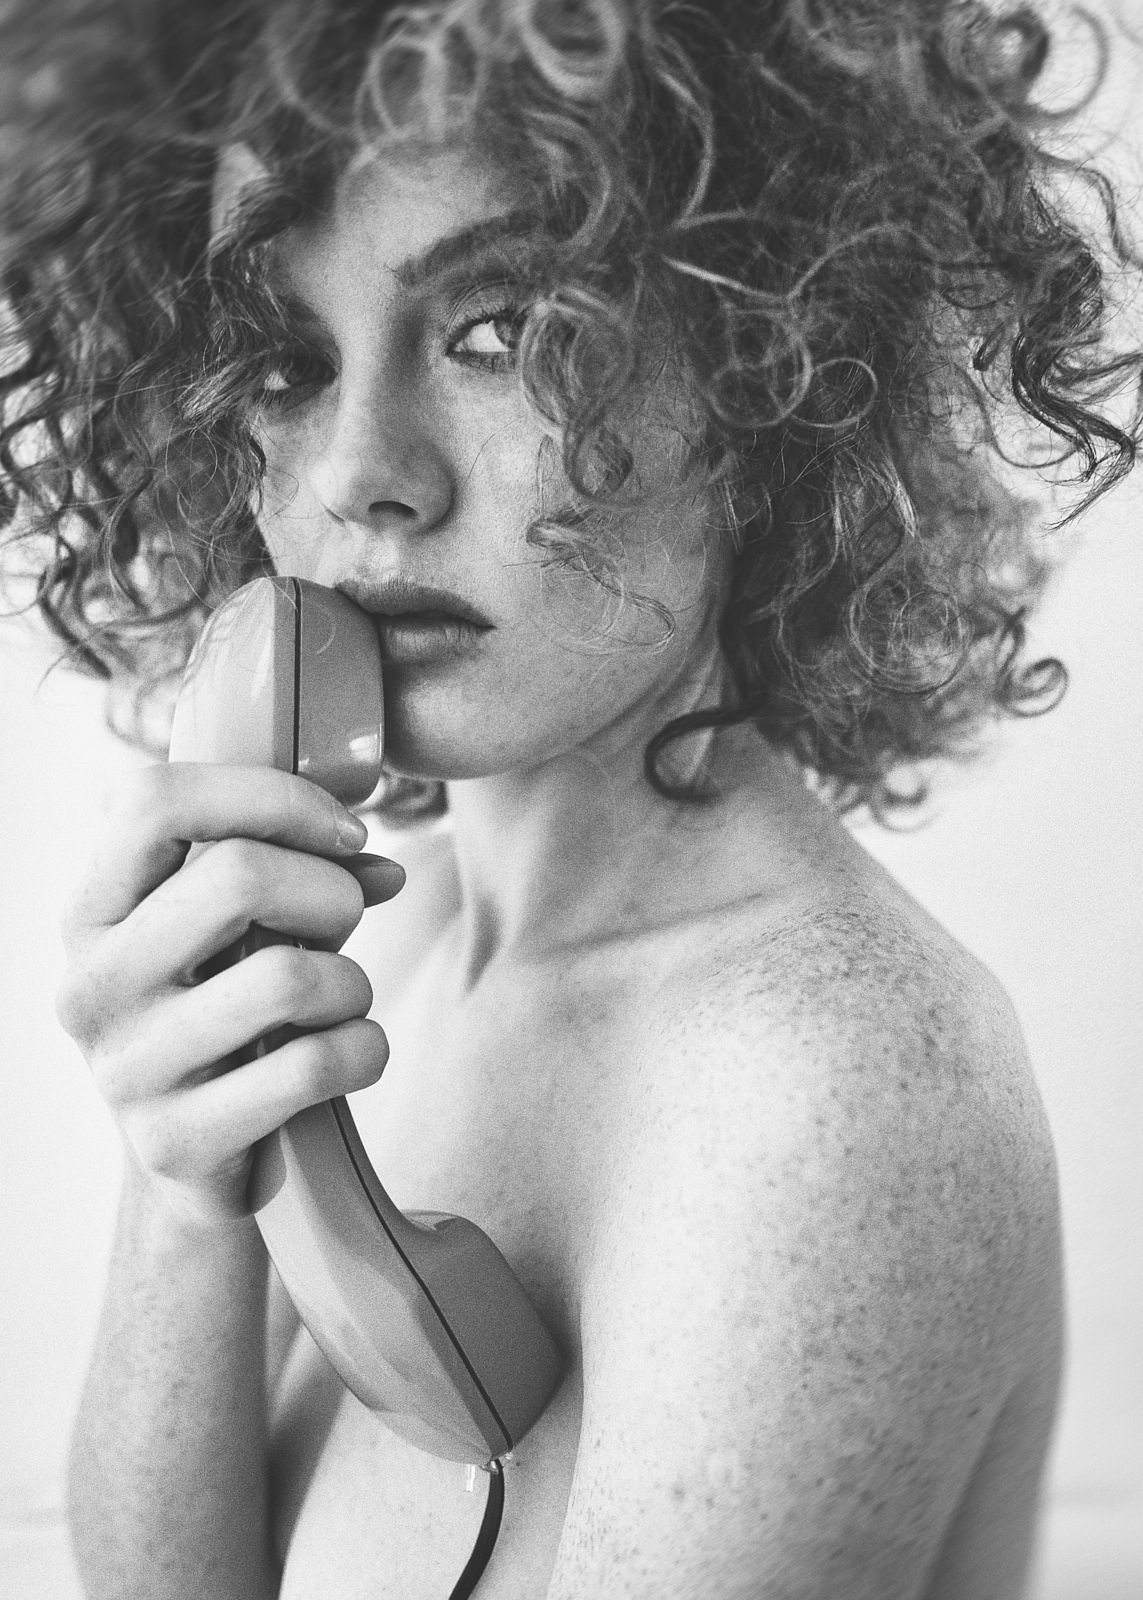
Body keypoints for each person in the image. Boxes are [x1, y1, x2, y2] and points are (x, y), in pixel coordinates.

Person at [1, 1, 1139, 1595]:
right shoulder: (373, 958)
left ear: (770, 352)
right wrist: (183, 1190)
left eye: (501, 330)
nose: (357, 473)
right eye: (283, 357)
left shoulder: (822, 1083)